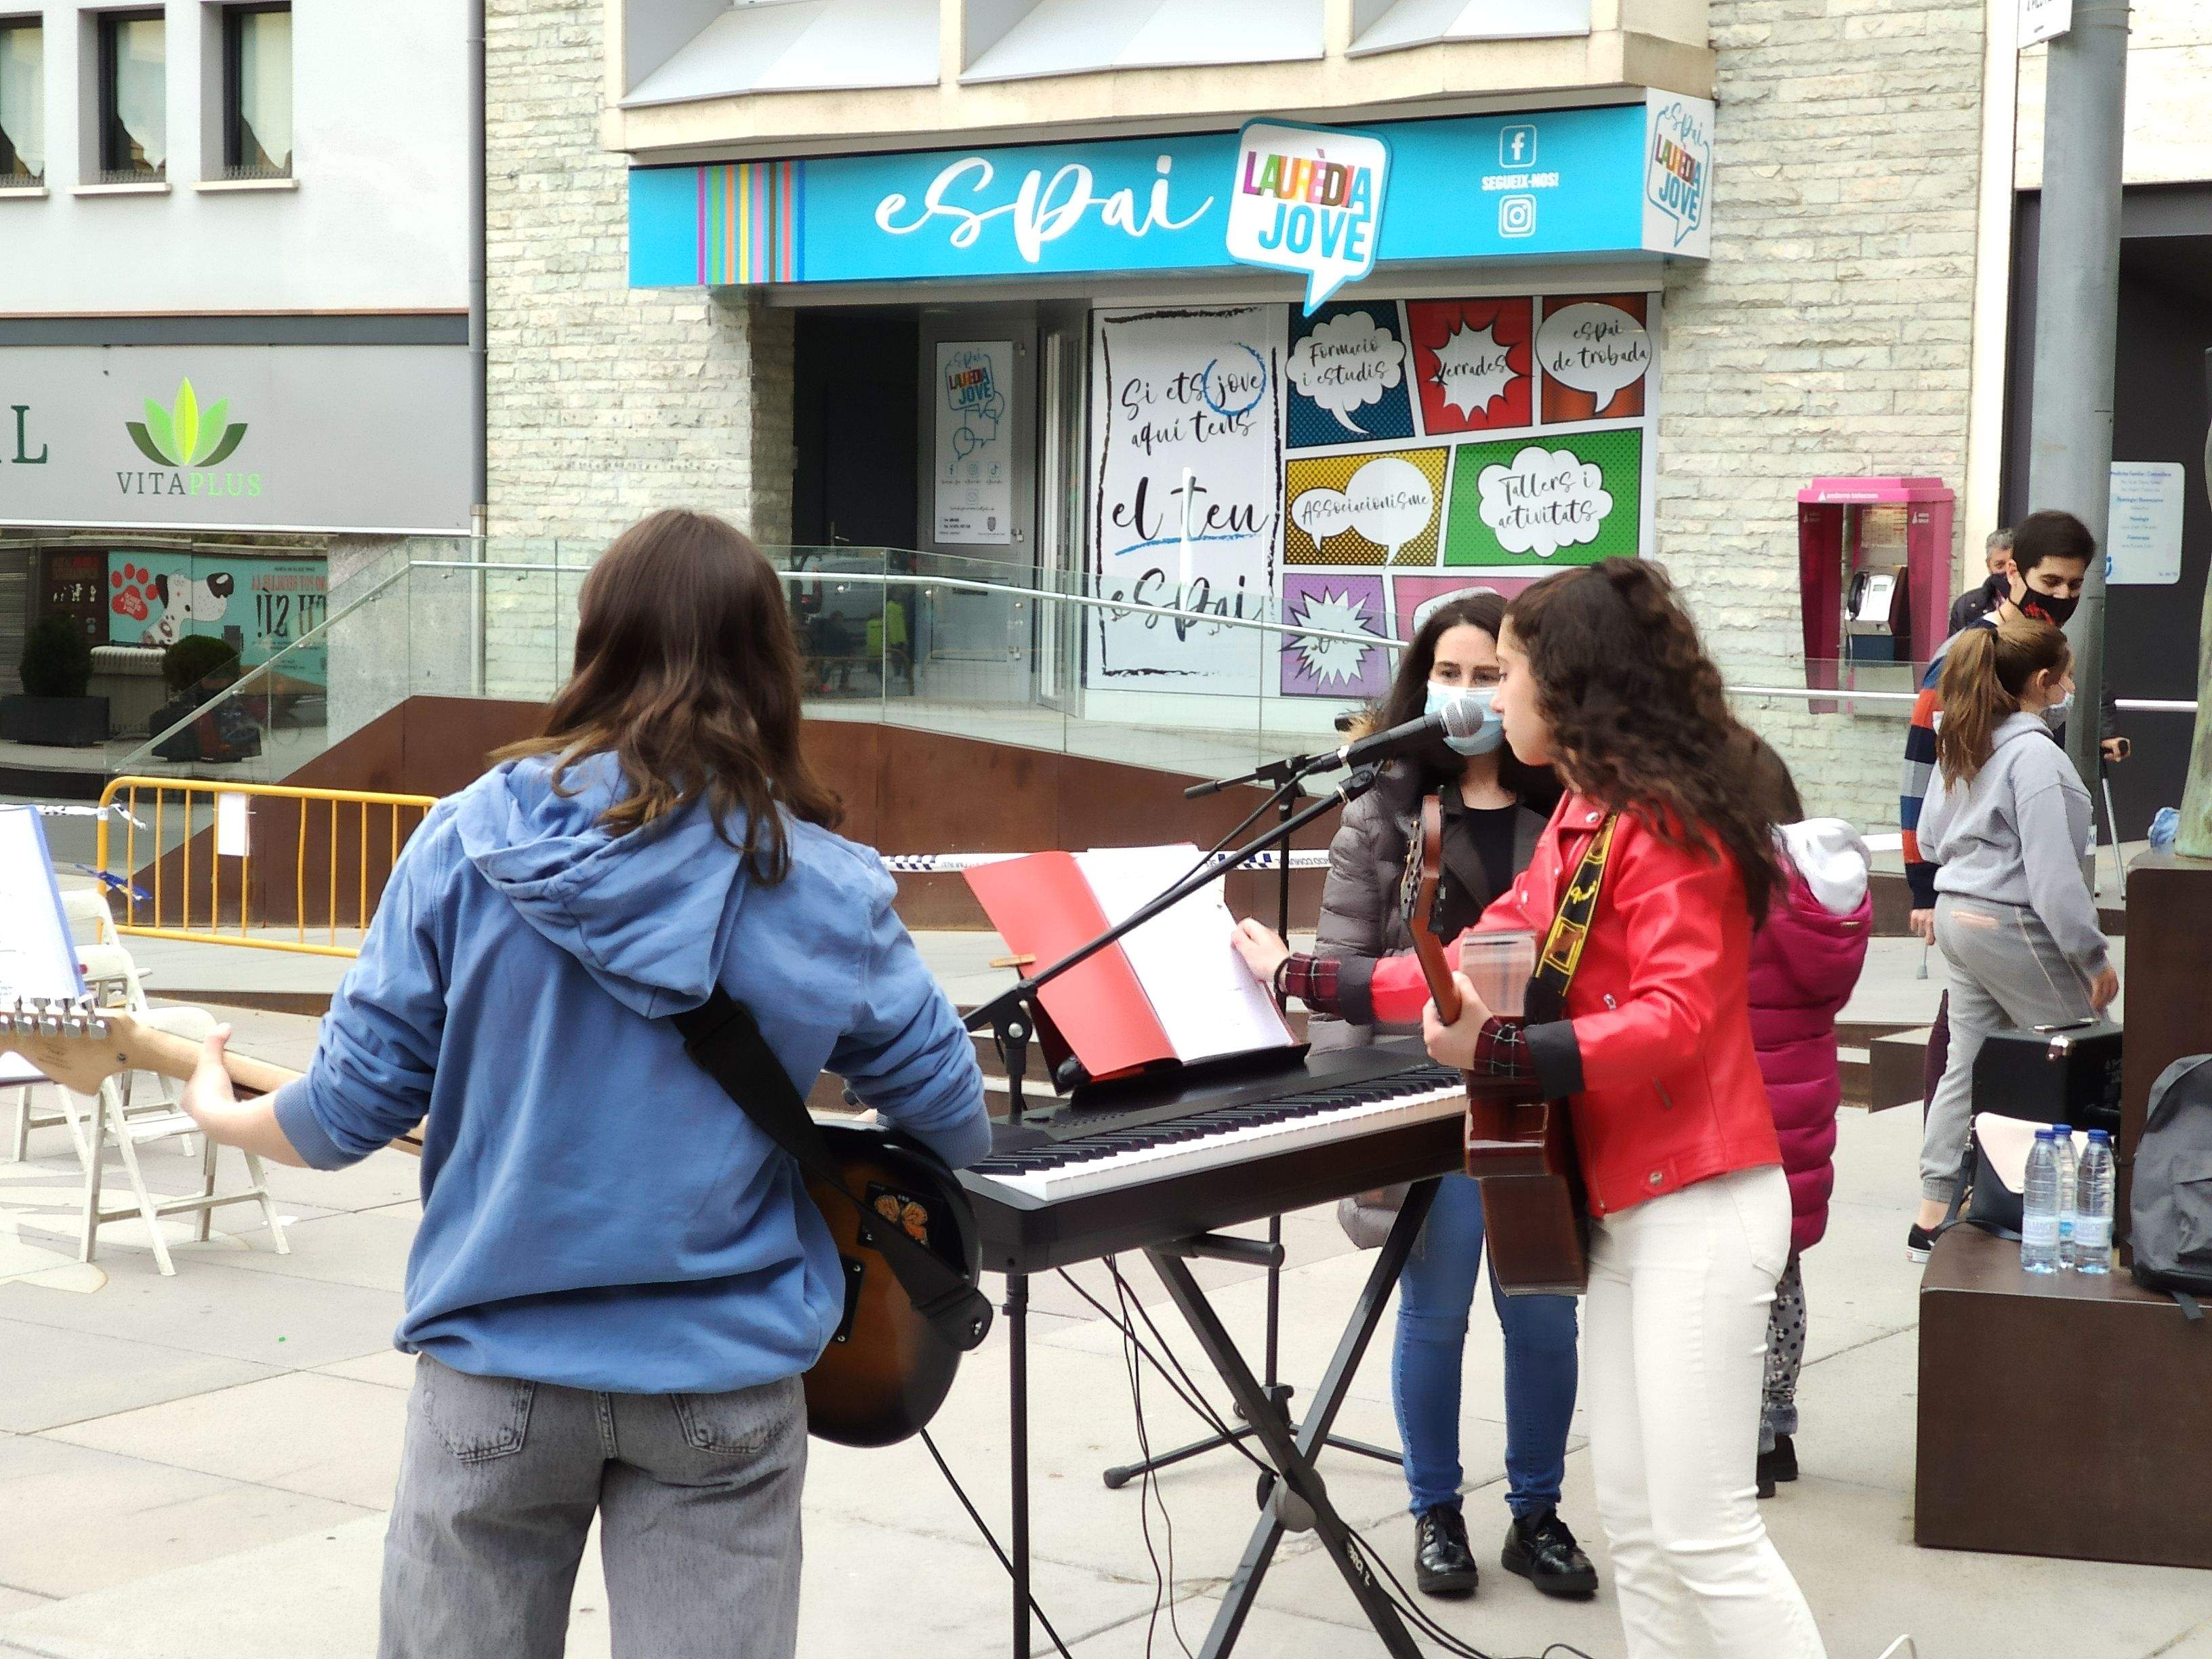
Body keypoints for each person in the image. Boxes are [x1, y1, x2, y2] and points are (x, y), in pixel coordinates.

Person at [178, 509, 992, 1659]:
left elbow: (342, 1114)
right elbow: (955, 1120)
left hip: (495, 1370)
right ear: (769, 662)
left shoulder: (463, 842)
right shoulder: (826, 884)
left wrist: (215, 1106)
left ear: (594, 643)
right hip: (725, 1377)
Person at [1237, 558, 1827, 1659]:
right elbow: (1464, 957)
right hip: (1630, 1212)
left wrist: (1503, 1047)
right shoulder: (1586, 823)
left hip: (1699, 1206)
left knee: (1704, 1535)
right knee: (1642, 1533)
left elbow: (1674, 1019)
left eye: (1504, 673)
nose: (1487, 699)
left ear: (1567, 682)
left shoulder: (1672, 825)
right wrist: (1301, 978)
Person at [1308, 590, 1593, 1603]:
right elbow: (1343, 966)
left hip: (1538, 1096)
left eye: (1489, 675)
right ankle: (1435, 1509)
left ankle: (1537, 1512)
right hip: (1426, 1102)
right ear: (1420, 684)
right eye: (1451, 674)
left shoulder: (1570, 800)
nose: (1470, 695)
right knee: (1436, 1315)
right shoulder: (1383, 805)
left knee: (1543, 1315)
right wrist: (1357, 1122)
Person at [1900, 508, 2124, 1256]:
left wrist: (1930, 892)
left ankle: (1933, 1209)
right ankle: (2059, 1202)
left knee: (1965, 1061)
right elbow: (2058, 883)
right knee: (2083, 1047)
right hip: (2010, 922)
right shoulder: (2039, 761)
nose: (2070, 685)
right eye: (2064, 675)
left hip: (1961, 916)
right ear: (2041, 682)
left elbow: (1931, 835)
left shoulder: (1970, 740)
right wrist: (2092, 959)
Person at [1742, 747, 1872, 1500]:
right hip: (1803, 1103)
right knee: (1785, 1273)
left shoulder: (1736, 885)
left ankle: (1743, 1437)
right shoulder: (1822, 888)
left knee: (1737, 1281)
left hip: (1743, 1108)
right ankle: (1777, 1425)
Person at [1946, 529, 2015, 635]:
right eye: (2000, 565)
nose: (2008, 571)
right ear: (1989, 566)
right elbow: (1955, 650)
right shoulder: (1965, 607)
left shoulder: (2036, 605)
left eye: (2013, 565)